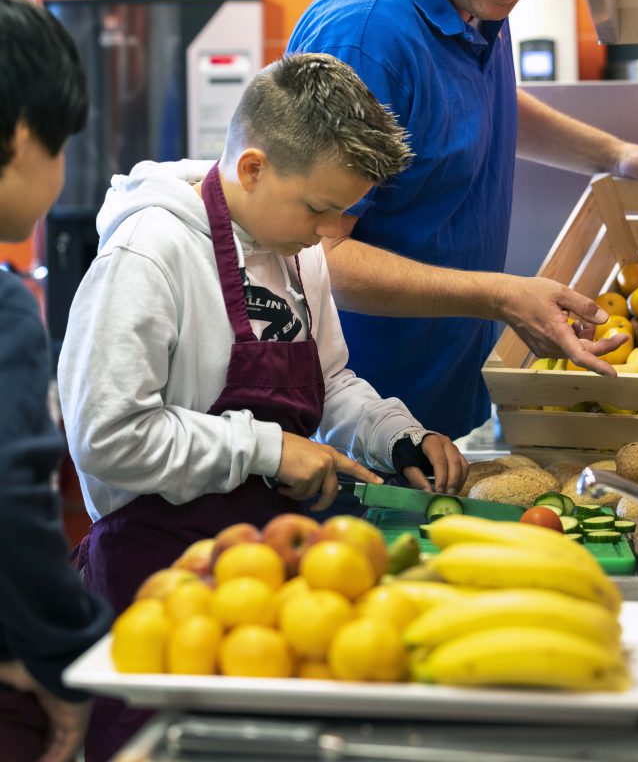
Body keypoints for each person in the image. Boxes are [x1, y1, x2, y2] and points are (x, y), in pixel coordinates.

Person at [57, 51, 467, 761]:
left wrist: (395, 436)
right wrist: (267, 450)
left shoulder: (298, 251)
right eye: (319, 208)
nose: (328, 229)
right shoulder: (149, 252)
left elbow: (330, 381)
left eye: (342, 211)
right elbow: (107, 435)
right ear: (252, 168)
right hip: (158, 585)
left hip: (272, 580)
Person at [287, 0, 638, 440]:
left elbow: (476, 106)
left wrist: (613, 153)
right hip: (365, 422)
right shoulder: (364, 39)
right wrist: (499, 294)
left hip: (450, 401)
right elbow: (313, 256)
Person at [0, 0, 112, 762]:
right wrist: (73, 657)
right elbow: (12, 499)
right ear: (17, 136)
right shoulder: (5, 307)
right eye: (62, 144)